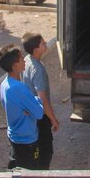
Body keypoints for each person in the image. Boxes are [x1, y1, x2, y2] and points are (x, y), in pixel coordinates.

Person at [0, 44, 43, 170]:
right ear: (14, 65)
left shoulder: (4, 84)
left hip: (14, 137)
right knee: (31, 176)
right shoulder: (20, 88)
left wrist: (28, 107)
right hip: (27, 141)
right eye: (21, 59)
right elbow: (39, 113)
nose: (24, 61)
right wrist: (37, 100)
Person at [21, 33, 58, 170]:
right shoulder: (38, 70)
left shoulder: (26, 61)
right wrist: (53, 119)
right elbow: (43, 100)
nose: (46, 44)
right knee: (45, 151)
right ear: (36, 50)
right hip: (40, 116)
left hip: (31, 114)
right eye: (43, 43)